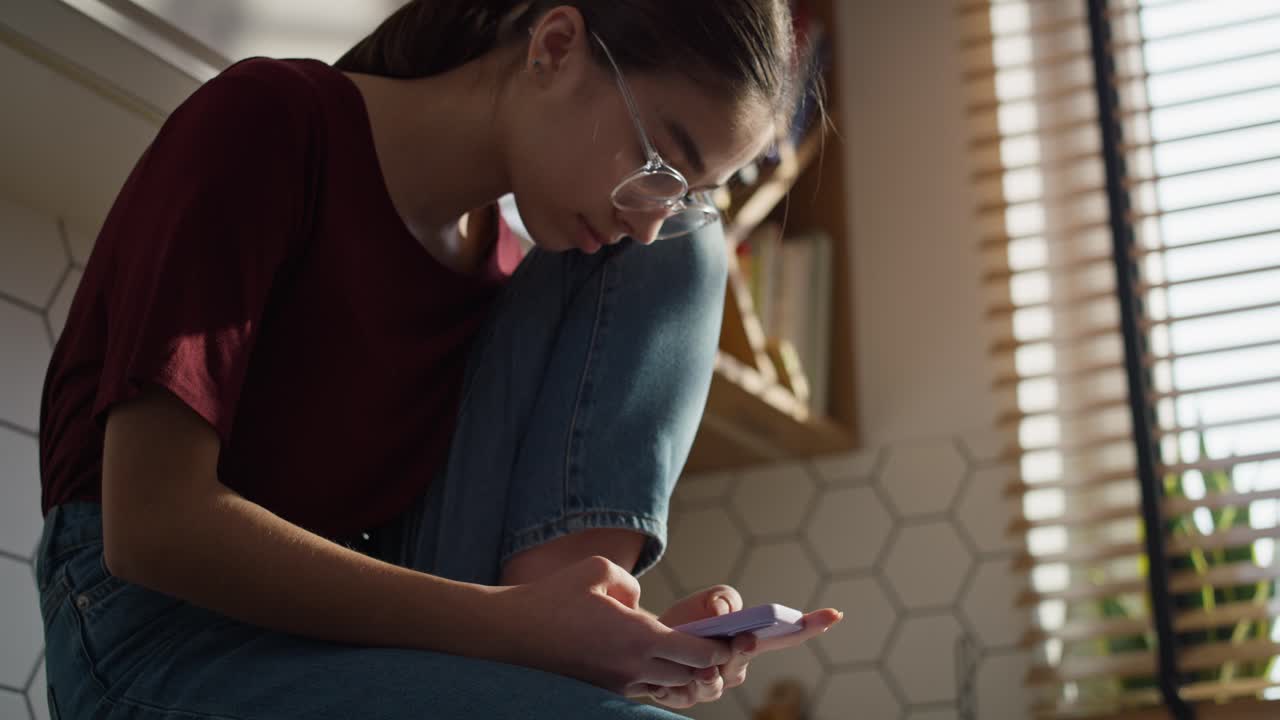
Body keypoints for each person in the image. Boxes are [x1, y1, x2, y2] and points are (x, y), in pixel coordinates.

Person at [35, 2, 843, 717]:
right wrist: (508, 626)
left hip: (365, 628)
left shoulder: (502, 277)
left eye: (681, 190)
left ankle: (574, 635)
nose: (645, 217)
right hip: (156, 630)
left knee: (683, 252)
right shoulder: (270, 121)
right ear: (555, 46)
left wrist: (621, 643)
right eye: (659, 166)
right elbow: (150, 530)